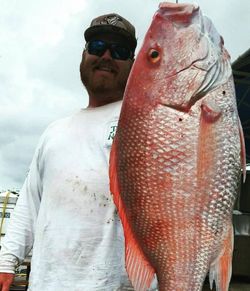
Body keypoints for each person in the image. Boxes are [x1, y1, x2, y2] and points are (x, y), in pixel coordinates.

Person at [0, 13, 158, 291]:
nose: (107, 56)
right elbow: (30, 202)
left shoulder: (148, 122)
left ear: (133, 65)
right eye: (97, 47)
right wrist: (6, 261)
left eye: (120, 52)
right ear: (84, 55)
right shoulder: (53, 132)